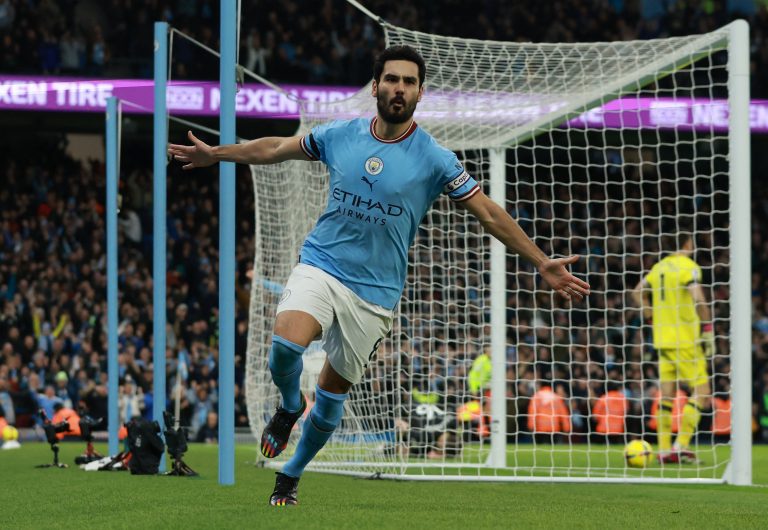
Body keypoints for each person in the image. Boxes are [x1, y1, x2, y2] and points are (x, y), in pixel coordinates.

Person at [168, 44, 590, 506]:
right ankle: (289, 405)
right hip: (322, 264)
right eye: (392, 79)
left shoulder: (435, 158)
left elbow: (487, 212)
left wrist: (540, 261)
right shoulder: (341, 134)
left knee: (331, 398)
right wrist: (220, 155)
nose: (399, 88)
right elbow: (275, 148)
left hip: (374, 294)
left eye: (409, 82)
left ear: (420, 93)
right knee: (284, 348)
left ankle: (290, 474)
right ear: (376, 86)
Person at [632, 233, 713, 464]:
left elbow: (637, 292)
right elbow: (699, 300)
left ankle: (665, 449)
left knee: (666, 395)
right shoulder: (688, 266)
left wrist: (651, 320)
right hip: (685, 340)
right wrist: (707, 330)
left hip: (662, 339)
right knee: (703, 392)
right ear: (687, 243)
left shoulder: (659, 268)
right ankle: (681, 445)